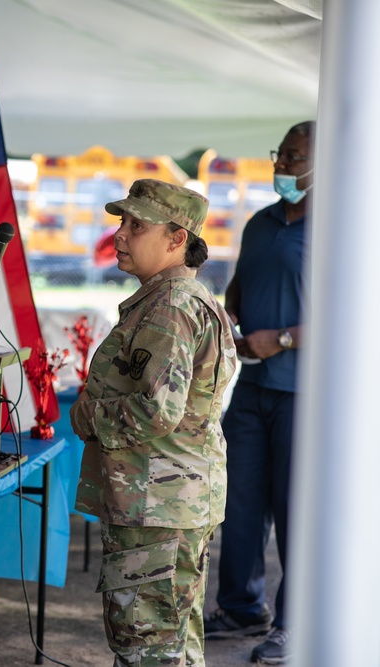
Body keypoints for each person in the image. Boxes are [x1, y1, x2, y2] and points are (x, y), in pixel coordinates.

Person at [70, 179, 237, 666]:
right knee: (174, 644)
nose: (120, 235)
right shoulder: (182, 300)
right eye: (122, 223)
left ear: (176, 238)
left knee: (146, 648)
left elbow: (156, 409)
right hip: (171, 502)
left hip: (155, 505)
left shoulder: (169, 307)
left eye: (136, 225)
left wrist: (87, 415)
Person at [202, 120, 314, 665]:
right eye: (281, 154)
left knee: (297, 511)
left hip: (305, 395)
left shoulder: (343, 228)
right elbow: (240, 285)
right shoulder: (261, 223)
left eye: (294, 157)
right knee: (238, 502)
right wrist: (231, 317)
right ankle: (241, 607)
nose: (282, 166)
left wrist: (286, 338)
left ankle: (296, 625)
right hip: (251, 390)